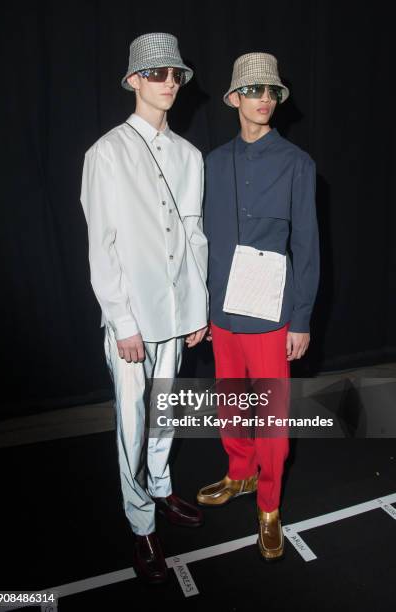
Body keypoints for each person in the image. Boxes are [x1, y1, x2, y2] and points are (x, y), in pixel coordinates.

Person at [80, 32, 208, 584]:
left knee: (164, 411)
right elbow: (101, 246)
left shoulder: (189, 155)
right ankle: (141, 524)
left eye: (175, 74)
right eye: (157, 74)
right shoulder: (106, 153)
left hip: (177, 312)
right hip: (132, 320)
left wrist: (198, 309)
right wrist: (122, 322)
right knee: (131, 424)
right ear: (133, 81)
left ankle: (160, 487)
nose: (169, 84)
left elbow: (195, 235)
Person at [197, 52, 320, 561]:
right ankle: (240, 473)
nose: (264, 99)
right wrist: (197, 308)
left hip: (272, 313)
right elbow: (200, 240)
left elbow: (309, 246)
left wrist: (303, 318)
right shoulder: (211, 162)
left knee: (271, 416)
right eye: (254, 91)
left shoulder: (297, 164)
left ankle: (269, 505)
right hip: (222, 310)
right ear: (234, 100)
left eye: (270, 92)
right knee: (230, 401)